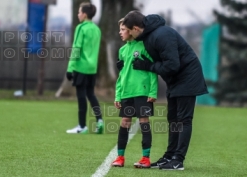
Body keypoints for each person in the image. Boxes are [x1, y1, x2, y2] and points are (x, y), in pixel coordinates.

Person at [122, 11, 208, 170]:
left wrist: (149, 66)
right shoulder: (148, 36)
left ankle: (178, 160)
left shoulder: (162, 35)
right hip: (175, 81)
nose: (128, 34)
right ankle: (169, 156)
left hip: (187, 78)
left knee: (183, 120)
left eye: (128, 30)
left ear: (135, 28)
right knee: (173, 119)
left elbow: (172, 65)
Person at [111, 18, 158, 168]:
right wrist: (118, 95)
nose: (120, 32)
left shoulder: (144, 47)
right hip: (126, 94)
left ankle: (145, 158)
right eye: (120, 29)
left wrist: (153, 91)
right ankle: (120, 157)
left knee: (144, 122)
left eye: (123, 29)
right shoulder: (122, 50)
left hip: (142, 92)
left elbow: (152, 71)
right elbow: (121, 75)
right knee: (124, 123)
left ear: (132, 30)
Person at [65, 2, 103, 134]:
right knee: (91, 94)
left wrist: (70, 68)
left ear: (85, 14)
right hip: (92, 67)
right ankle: (99, 120)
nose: (78, 14)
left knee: (81, 96)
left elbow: (76, 48)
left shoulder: (81, 28)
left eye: (79, 12)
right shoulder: (97, 30)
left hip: (81, 66)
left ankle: (82, 126)